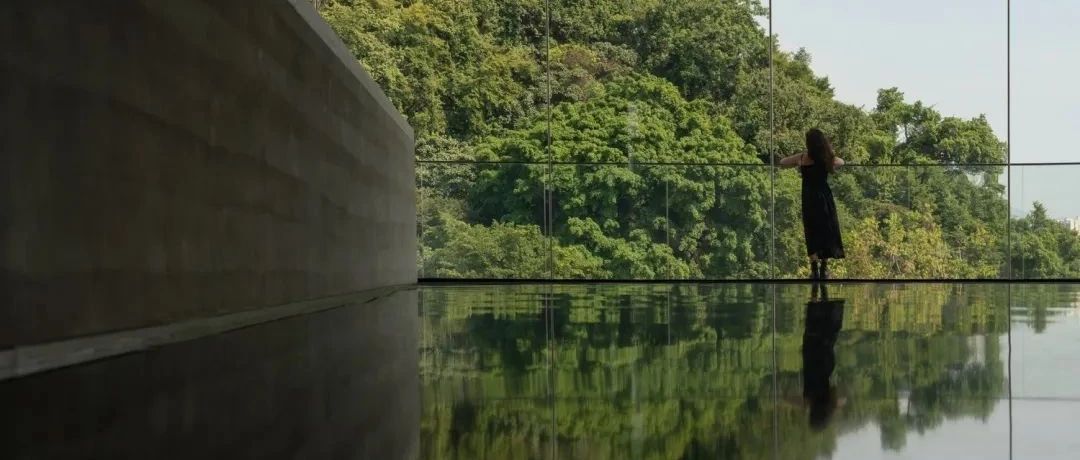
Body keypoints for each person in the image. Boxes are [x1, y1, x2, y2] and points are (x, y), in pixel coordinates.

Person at [779, 128, 846, 280]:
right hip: (824, 198)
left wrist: (797, 161)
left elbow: (783, 162)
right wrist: (830, 153)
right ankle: (824, 268)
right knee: (826, 230)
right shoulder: (827, 158)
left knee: (812, 231)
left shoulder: (803, 157)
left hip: (809, 199)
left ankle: (814, 268)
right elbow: (842, 162)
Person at [802, 284, 845, 431]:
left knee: (825, 314)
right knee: (815, 310)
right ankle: (819, 283)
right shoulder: (810, 396)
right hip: (812, 348)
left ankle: (820, 284)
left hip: (823, 352)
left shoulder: (826, 400)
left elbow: (835, 392)